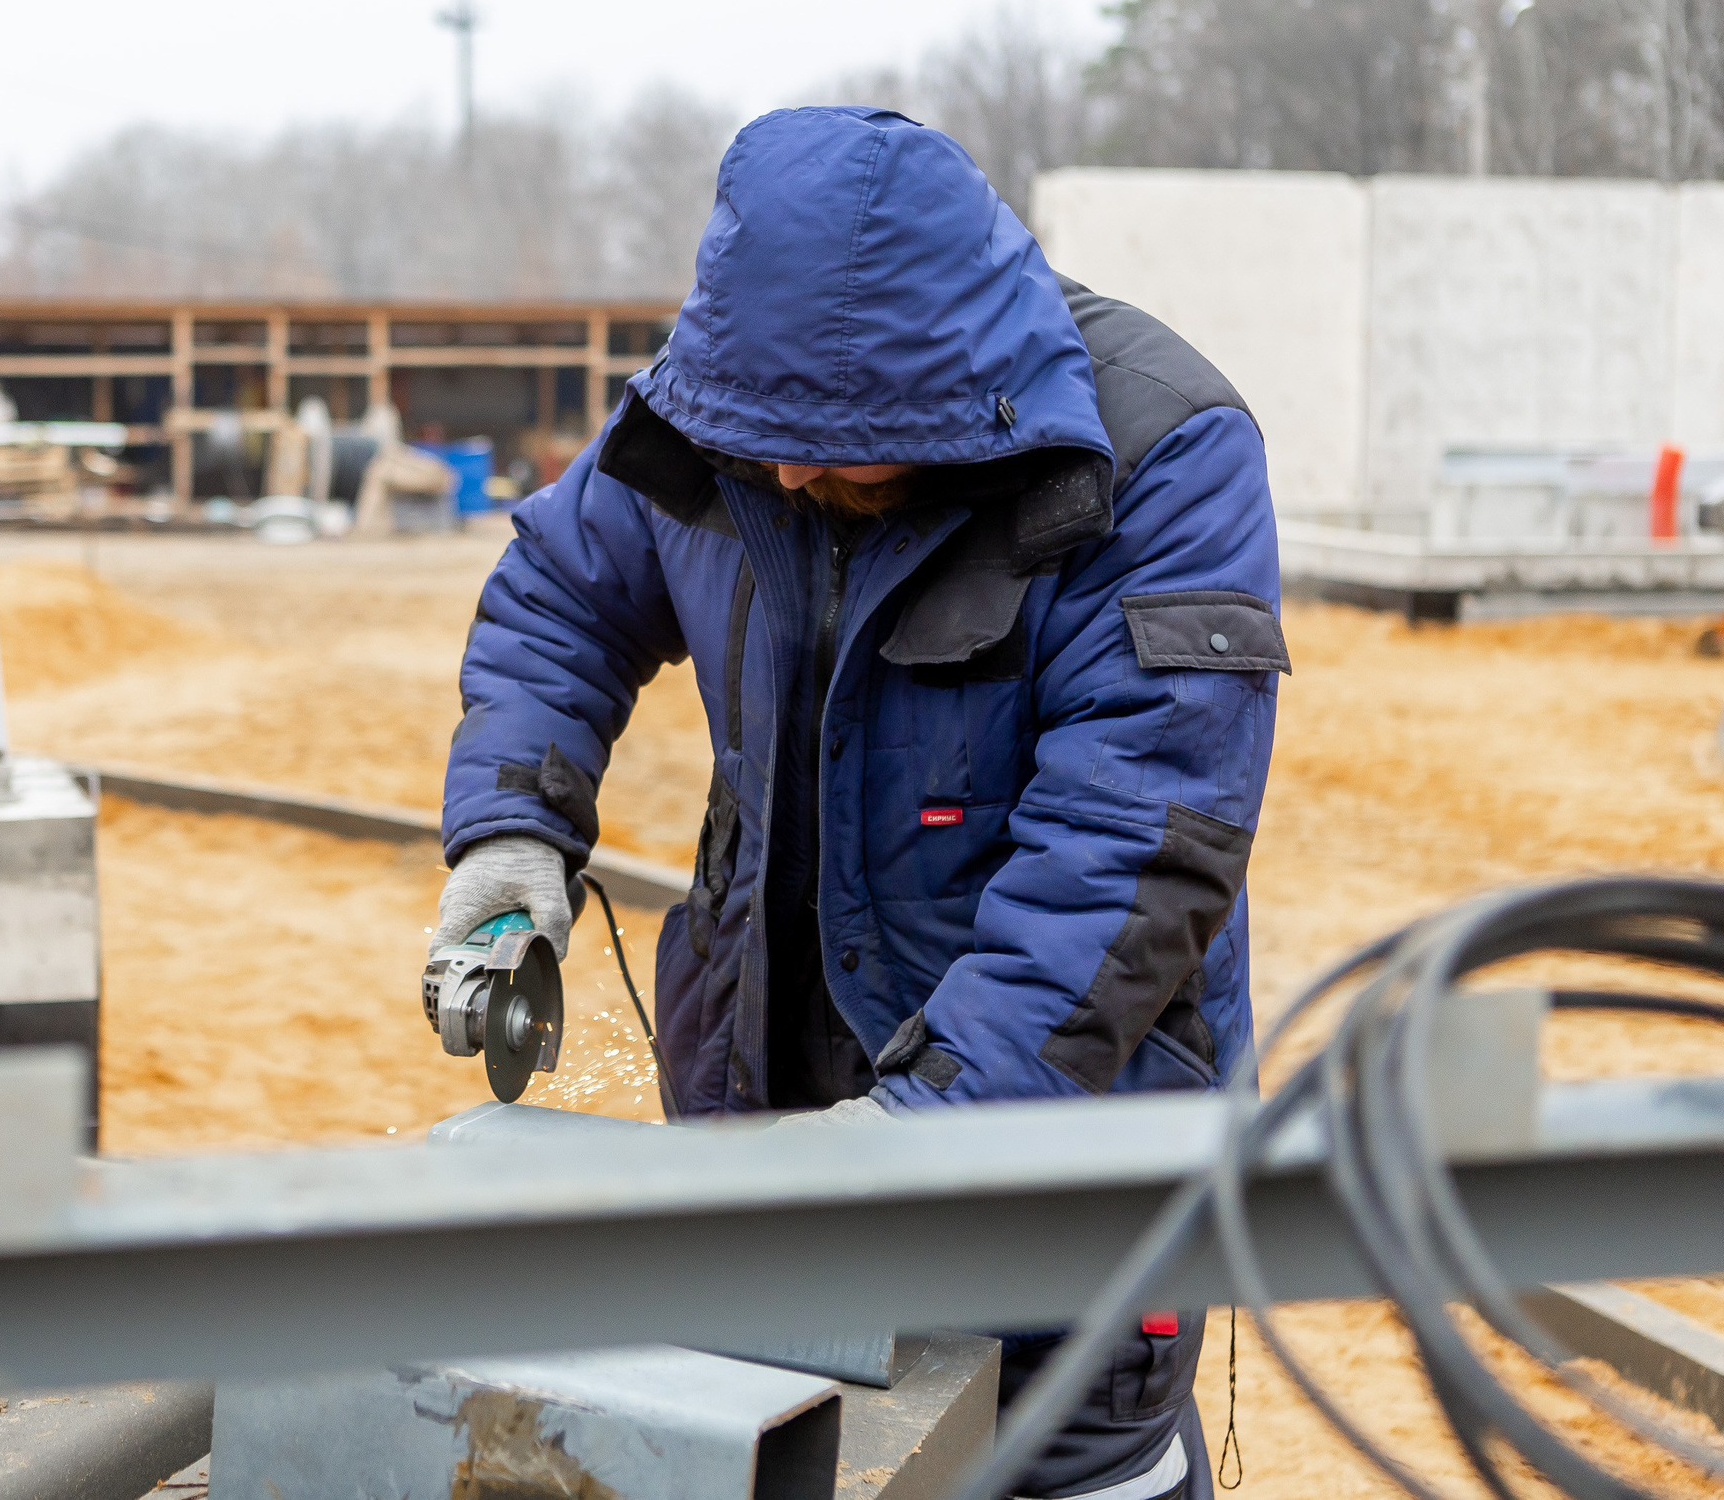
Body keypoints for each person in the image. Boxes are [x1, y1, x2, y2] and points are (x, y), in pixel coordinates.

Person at [432, 106, 1284, 1500]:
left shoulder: (1158, 455)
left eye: (831, 453)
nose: (780, 480)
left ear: (957, 397)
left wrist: (924, 1136)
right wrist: (514, 831)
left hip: (1056, 1183)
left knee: (1044, 1464)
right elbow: (561, 599)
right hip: (765, 1130)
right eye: (761, 445)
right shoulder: (732, 409)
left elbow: (1135, 843)